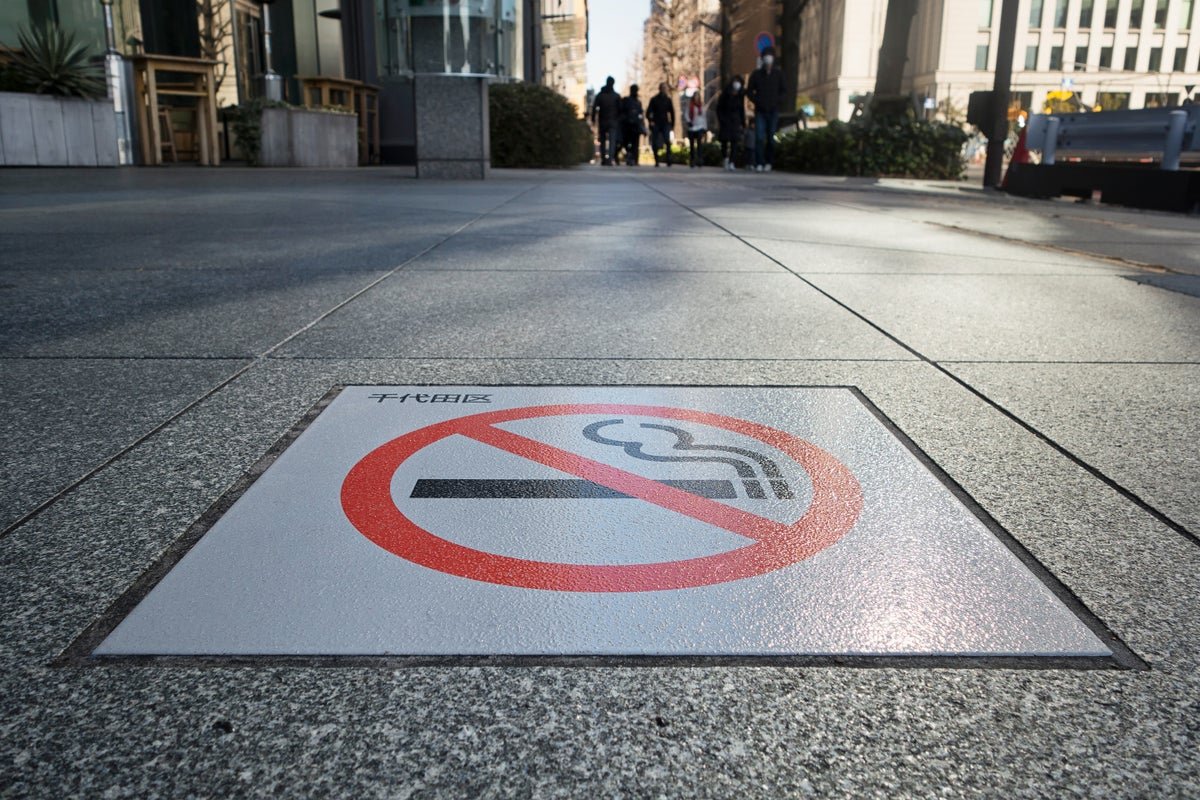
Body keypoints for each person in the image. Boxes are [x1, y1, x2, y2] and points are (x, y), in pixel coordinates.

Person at [747, 46, 786, 171]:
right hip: (760, 111)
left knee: (770, 137)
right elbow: (749, 91)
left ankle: (769, 161)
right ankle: (759, 162)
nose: (768, 59)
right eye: (766, 56)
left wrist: (777, 101)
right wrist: (757, 101)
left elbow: (784, 91)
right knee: (759, 137)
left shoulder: (778, 74)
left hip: (773, 110)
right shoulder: (757, 74)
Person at [717, 75, 746, 171]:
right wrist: (721, 120)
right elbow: (719, 108)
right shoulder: (725, 95)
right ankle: (725, 158)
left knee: (735, 142)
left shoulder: (740, 96)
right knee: (724, 141)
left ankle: (732, 161)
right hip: (725, 120)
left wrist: (743, 122)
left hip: (736, 121)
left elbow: (741, 109)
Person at [591, 76, 622, 166]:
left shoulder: (601, 95)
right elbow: (620, 109)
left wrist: (593, 119)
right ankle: (610, 158)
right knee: (612, 140)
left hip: (604, 121)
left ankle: (604, 159)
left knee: (603, 140)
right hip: (612, 121)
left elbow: (594, 108)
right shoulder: (615, 96)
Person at [646, 82, 675, 167]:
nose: (665, 90)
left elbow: (672, 113)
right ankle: (656, 160)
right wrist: (651, 121)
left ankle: (668, 159)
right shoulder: (654, 99)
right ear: (660, 89)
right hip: (656, 123)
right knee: (655, 142)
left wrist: (672, 124)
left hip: (665, 123)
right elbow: (648, 112)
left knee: (667, 141)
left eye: (666, 88)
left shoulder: (668, 100)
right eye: (663, 88)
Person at [620, 84, 645, 166]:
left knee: (633, 143)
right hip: (628, 125)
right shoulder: (628, 101)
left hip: (634, 125)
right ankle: (632, 158)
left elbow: (641, 114)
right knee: (631, 143)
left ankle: (633, 158)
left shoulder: (637, 102)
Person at [684, 91, 707, 168]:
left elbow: (704, 117)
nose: (696, 98)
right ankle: (692, 160)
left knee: (699, 144)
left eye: (697, 96)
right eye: (695, 96)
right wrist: (689, 121)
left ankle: (700, 160)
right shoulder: (690, 105)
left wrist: (705, 127)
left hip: (700, 127)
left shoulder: (701, 106)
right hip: (692, 127)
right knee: (692, 145)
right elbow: (686, 114)